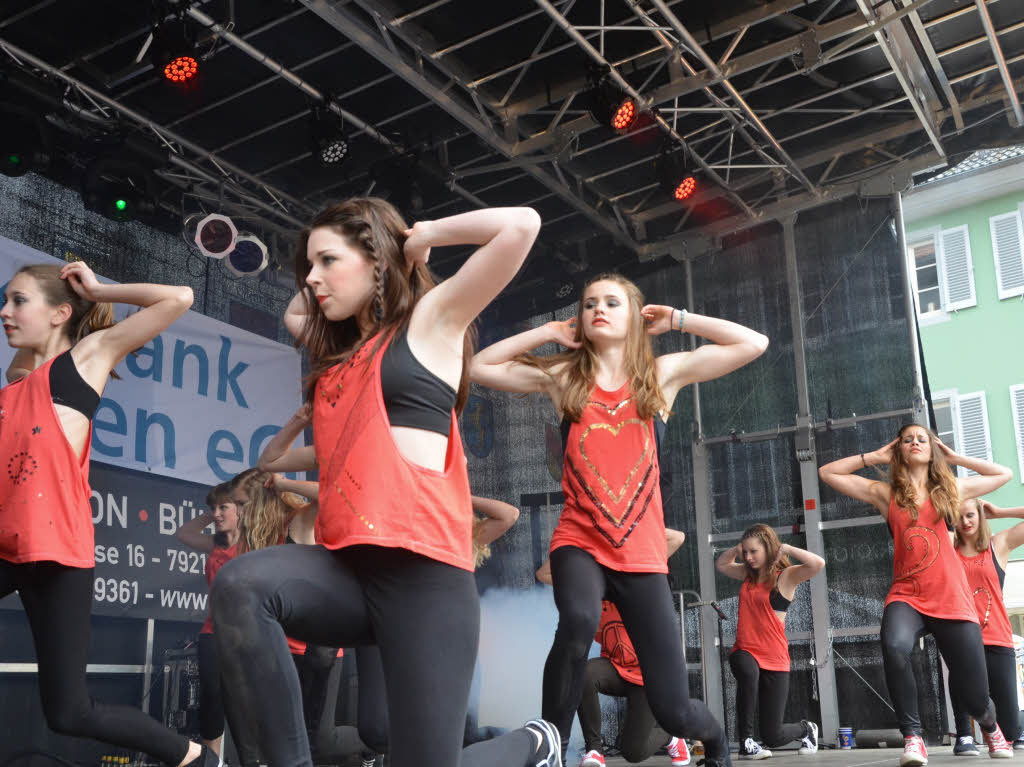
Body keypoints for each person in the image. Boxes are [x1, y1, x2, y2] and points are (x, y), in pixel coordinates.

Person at [211, 199, 560, 767]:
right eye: (308, 267)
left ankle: (530, 743)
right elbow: (298, 312)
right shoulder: (339, 358)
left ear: (376, 261)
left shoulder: (429, 323)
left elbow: (523, 224)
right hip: (348, 570)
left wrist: (414, 239)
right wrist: (329, 260)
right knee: (242, 584)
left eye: (327, 260)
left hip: (425, 581)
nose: (313, 279)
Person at [471, 272, 769, 765]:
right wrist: (548, 333)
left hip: (641, 552)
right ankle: (550, 746)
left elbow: (753, 343)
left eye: (612, 302)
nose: (598, 310)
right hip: (579, 538)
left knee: (673, 710)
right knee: (580, 619)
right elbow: (482, 365)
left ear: (634, 316)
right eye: (589, 304)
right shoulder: (566, 377)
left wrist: (677, 320)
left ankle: (714, 739)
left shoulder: (660, 376)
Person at [0, 262, 215, 766]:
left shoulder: (84, 360)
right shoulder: (17, 378)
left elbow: (179, 296)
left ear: (59, 313)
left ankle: (197, 759)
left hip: (58, 556)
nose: (5, 312)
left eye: (17, 300)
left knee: (69, 714)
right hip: (10, 546)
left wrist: (99, 290)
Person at [818, 424, 1014, 765]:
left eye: (922, 439)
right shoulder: (885, 493)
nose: (914, 443)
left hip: (952, 598)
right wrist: (873, 457)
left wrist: (953, 456)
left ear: (931, 448)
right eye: (907, 439)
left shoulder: (950, 488)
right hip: (907, 594)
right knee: (894, 645)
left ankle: (990, 726)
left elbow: (1004, 473)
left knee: (976, 695)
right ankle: (913, 737)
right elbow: (827, 472)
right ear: (900, 449)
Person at [538, 529, 690, 767]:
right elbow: (544, 573)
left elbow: (677, 538)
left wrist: (618, 526)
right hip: (616, 669)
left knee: (633, 752)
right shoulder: (590, 588)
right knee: (583, 672)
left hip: (647, 678)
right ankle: (594, 751)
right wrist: (580, 536)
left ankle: (670, 737)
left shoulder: (634, 578)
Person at [715, 524, 824, 759]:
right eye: (746, 552)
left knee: (773, 736)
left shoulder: (785, 576)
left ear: (768, 548)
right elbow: (722, 564)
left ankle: (807, 729)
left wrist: (785, 548)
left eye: (753, 551)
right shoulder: (747, 574)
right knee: (748, 672)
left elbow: (818, 564)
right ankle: (746, 743)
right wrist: (737, 548)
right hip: (745, 650)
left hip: (775, 658)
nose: (748, 557)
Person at [174, 481, 242, 758]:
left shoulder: (255, 543)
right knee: (212, 703)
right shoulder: (215, 543)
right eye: (213, 508)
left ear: (240, 510)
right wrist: (213, 512)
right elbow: (183, 533)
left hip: (246, 636)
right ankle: (212, 762)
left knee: (244, 705)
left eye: (223, 507)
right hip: (213, 632)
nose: (216, 513)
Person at [951, 499, 1024, 756]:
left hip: (998, 637)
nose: (965, 522)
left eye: (970, 515)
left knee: (1012, 732)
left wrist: (1001, 511)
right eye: (959, 517)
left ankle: (1000, 733)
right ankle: (964, 735)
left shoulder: (998, 545)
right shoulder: (949, 546)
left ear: (980, 516)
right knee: (962, 680)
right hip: (963, 637)